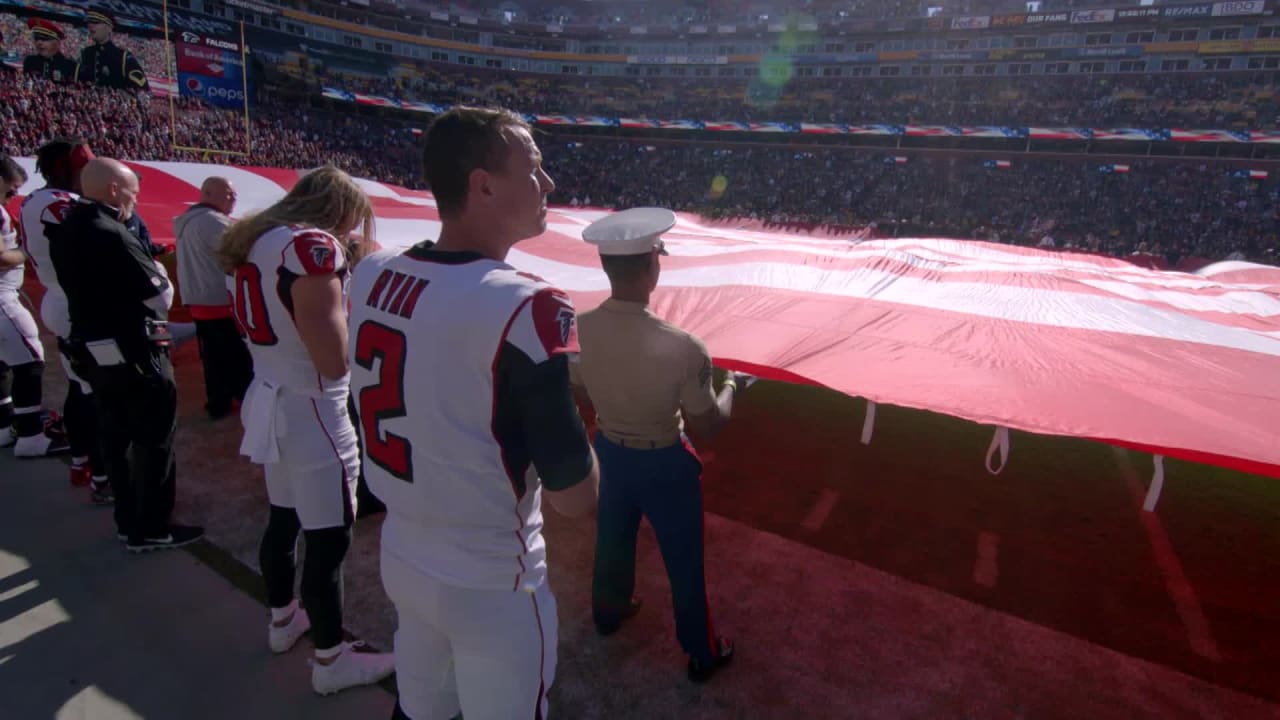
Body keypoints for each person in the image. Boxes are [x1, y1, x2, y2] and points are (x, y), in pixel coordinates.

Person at [347, 106, 598, 720]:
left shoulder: (371, 272)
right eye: (534, 168)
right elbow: (575, 495)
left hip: (403, 553)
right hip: (491, 579)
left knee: (420, 710)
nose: (548, 183)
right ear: (483, 185)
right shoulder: (527, 305)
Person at [218, 165, 394, 695]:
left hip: (271, 393)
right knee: (329, 537)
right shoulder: (310, 247)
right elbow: (334, 360)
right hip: (313, 406)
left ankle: (282, 620)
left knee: (285, 517)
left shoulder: (255, 239)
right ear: (338, 209)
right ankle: (331, 659)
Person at [574, 206, 748, 683]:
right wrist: (732, 385)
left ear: (606, 266)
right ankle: (701, 651)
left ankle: (608, 614)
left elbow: (578, 383)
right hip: (664, 462)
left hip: (609, 451)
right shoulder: (685, 345)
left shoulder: (579, 327)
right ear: (653, 267)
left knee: (612, 541)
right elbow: (708, 424)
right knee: (684, 561)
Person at [51, 158, 203, 550]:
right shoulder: (112, 231)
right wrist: (160, 271)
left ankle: (128, 520)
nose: (135, 200)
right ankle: (152, 527)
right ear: (114, 190)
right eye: (133, 193)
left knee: (115, 435)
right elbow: (160, 295)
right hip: (136, 349)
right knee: (154, 438)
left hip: (95, 348)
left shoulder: (69, 225)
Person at [18, 138, 106, 491]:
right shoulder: (57, 202)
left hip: (64, 299)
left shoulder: (39, 199)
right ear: (63, 169)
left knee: (80, 386)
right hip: (75, 303)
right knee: (95, 392)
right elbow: (94, 242)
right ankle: (101, 476)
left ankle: (82, 462)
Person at [0, 155, 68, 456]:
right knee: (30, 361)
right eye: (11, 187)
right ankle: (30, 436)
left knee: (4, 361)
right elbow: (2, 257)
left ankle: (5, 426)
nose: (14, 194)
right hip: (2, 298)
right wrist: (29, 250)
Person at [175, 176, 251, 419]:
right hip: (219, 300)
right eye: (228, 193)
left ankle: (220, 401)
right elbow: (242, 254)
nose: (234, 198)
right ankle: (241, 399)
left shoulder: (190, 220)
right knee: (235, 356)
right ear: (208, 193)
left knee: (213, 356)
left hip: (200, 299)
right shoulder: (213, 222)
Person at [75, 8, 149, 94]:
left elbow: (141, 87)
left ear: (109, 28)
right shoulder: (86, 53)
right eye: (89, 22)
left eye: (96, 22)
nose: (90, 25)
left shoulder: (123, 56)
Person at [23, 18, 77, 84]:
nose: (39, 43)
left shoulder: (71, 67)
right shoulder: (30, 61)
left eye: (45, 39)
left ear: (57, 42)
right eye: (36, 39)